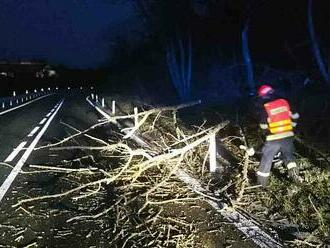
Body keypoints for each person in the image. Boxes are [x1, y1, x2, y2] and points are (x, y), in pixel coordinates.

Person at [255, 84, 303, 187]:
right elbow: (296, 116)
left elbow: (263, 125)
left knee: (267, 158)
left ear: (263, 96)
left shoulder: (266, 107)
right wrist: (291, 127)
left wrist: (266, 132)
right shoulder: (284, 102)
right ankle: (295, 178)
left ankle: (261, 184)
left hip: (273, 138)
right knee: (289, 156)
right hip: (288, 136)